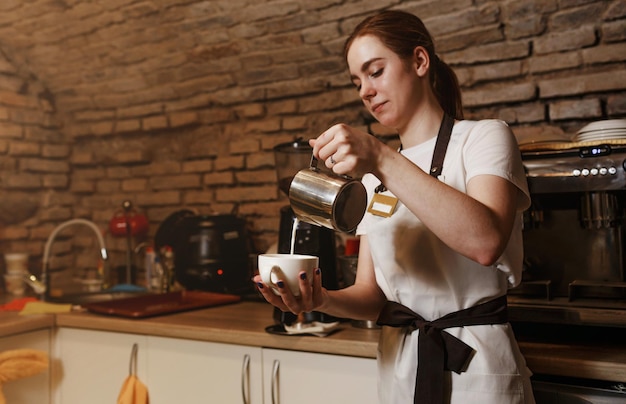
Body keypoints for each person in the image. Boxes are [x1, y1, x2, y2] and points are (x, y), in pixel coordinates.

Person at [253, 9, 536, 404]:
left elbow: (485, 241)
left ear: (419, 62)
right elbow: (372, 295)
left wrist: (381, 158)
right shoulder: (373, 177)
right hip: (399, 368)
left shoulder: (485, 137)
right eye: (357, 81)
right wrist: (321, 300)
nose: (365, 91)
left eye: (375, 71)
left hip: (475, 368)